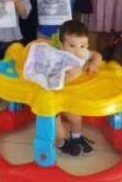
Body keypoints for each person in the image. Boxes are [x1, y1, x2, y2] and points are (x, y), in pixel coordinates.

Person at [33, 20, 102, 156]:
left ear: (87, 44)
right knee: (60, 132)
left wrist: (94, 63)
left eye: (82, 46)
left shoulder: (83, 53)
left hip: (68, 97)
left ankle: (76, 139)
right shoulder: (56, 58)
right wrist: (68, 77)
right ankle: (62, 145)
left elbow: (96, 55)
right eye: (71, 46)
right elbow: (50, 81)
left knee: (77, 120)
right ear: (61, 45)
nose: (77, 51)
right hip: (50, 100)